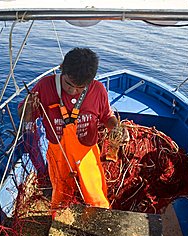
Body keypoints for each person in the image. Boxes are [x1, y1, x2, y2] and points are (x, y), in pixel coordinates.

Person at [18, 48, 118, 210]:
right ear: (61, 68)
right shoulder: (45, 86)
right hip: (58, 152)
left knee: (95, 195)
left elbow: (107, 116)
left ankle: (101, 220)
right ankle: (59, 222)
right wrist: (29, 107)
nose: (73, 91)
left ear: (90, 81)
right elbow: (24, 117)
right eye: (69, 84)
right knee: (61, 193)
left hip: (86, 151)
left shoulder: (98, 89)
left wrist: (116, 128)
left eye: (80, 88)